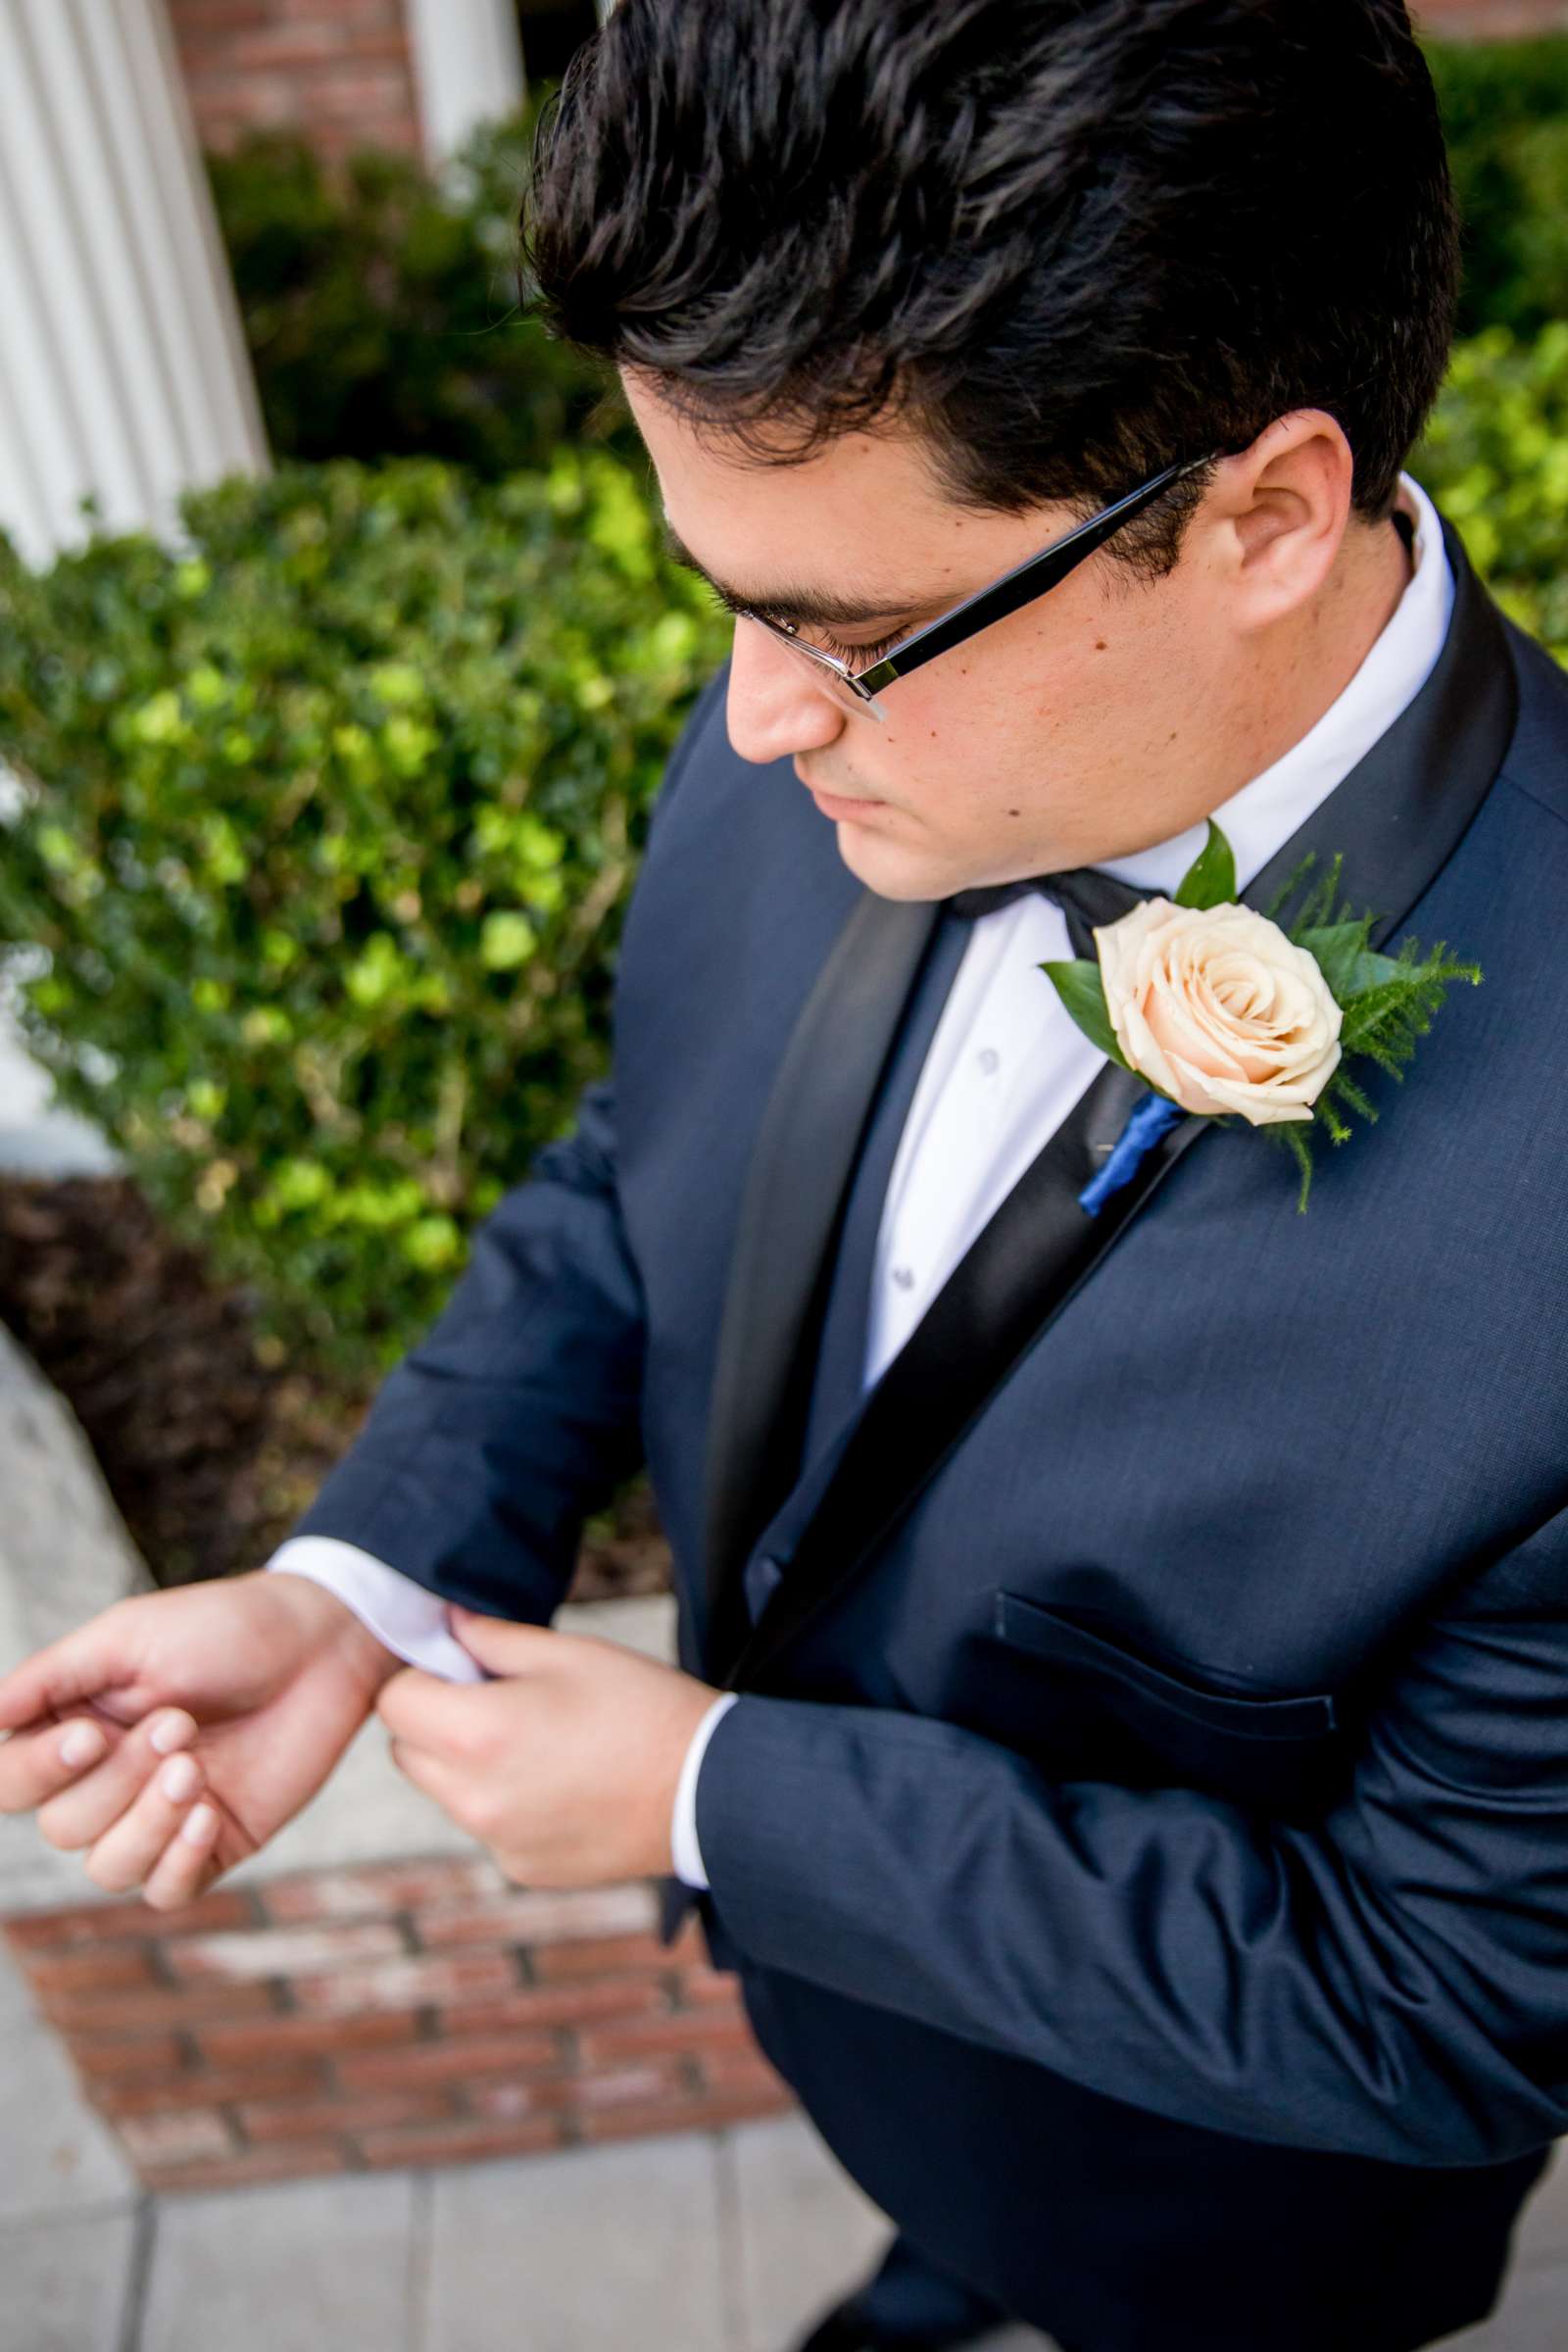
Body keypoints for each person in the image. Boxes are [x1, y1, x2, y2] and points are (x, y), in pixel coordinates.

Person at [4, 2, 1568, 2345]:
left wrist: (720, 1801)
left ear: (1262, 516)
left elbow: (1435, 1997)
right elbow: (651, 1167)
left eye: (839, 632)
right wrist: (360, 1586)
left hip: (1210, 2218)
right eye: (725, 596)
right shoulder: (855, 688)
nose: (747, 718)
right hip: (879, 2059)